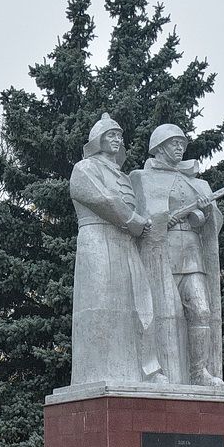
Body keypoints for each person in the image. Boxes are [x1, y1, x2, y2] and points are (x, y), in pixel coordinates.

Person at [68, 113, 165, 385]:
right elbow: (103, 199)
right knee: (101, 304)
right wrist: (134, 221)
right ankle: (99, 372)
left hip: (126, 244)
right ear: (97, 140)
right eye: (111, 135)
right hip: (97, 239)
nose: (116, 139)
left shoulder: (123, 176)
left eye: (119, 136)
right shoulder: (85, 168)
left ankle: (147, 370)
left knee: (140, 303)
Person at [130, 124, 224, 386]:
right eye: (174, 143)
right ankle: (158, 369)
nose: (179, 148)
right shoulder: (142, 178)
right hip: (161, 255)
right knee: (163, 312)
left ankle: (198, 372)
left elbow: (211, 223)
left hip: (192, 254)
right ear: (159, 147)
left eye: (182, 144)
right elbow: (139, 219)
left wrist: (204, 215)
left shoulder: (199, 183)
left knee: (201, 311)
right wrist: (163, 220)